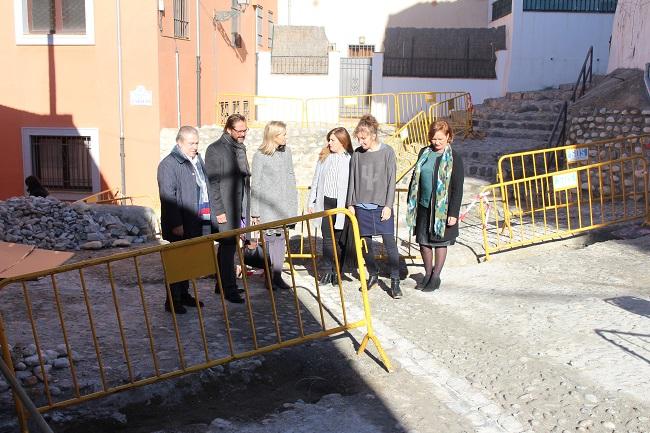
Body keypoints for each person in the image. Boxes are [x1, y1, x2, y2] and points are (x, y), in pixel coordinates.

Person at [347, 114, 402, 299]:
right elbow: (352, 180)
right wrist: (351, 203)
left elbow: (391, 181)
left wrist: (388, 205)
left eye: (364, 138)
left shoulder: (387, 152)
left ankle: (395, 280)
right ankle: (373, 273)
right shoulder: (356, 154)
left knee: (389, 244)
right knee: (365, 246)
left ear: (373, 135)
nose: (361, 142)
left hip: (381, 207)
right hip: (361, 206)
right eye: (359, 138)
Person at [406, 120, 464, 292]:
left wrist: (453, 212)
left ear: (448, 137)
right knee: (423, 243)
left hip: (442, 209)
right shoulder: (424, 152)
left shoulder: (455, 158)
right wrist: (412, 200)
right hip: (423, 205)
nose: (436, 142)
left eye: (440, 139)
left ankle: (436, 276)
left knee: (440, 243)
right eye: (433, 139)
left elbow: (457, 187)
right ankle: (428, 273)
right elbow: (416, 176)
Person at [157, 126, 209, 314]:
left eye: (196, 142)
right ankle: (172, 300)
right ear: (179, 143)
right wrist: (176, 223)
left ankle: (184, 294)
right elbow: (168, 196)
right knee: (175, 263)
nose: (195, 146)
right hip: (179, 223)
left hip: (194, 220)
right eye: (191, 143)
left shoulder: (196, 160)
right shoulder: (168, 164)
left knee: (187, 262)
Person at [205, 114, 250, 304]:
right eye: (238, 131)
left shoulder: (239, 148)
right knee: (228, 247)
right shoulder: (215, 150)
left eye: (244, 130)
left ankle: (222, 284)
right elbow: (213, 183)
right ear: (228, 130)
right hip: (224, 207)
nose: (242, 134)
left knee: (229, 248)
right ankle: (228, 289)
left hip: (237, 206)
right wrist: (219, 210)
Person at [250, 121, 298, 291]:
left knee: (281, 241)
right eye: (283, 134)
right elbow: (255, 185)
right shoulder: (260, 155)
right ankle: (269, 276)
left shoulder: (287, 152)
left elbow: (291, 177)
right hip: (267, 207)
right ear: (274, 136)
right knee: (270, 241)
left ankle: (277, 276)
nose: (286, 137)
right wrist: (255, 212)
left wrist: (293, 205)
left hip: (284, 206)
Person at [307, 127, 353, 285]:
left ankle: (337, 271)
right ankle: (326, 271)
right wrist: (311, 201)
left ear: (342, 141)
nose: (329, 143)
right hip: (325, 202)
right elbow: (316, 180)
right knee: (327, 238)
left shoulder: (350, 159)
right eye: (329, 139)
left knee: (340, 240)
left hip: (342, 204)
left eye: (333, 140)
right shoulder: (325, 156)